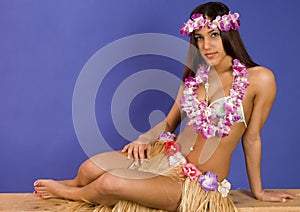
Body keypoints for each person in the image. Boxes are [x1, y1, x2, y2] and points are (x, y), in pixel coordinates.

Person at [33, 2, 296, 211]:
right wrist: (143, 139)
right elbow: (170, 122)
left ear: (228, 33)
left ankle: (70, 193)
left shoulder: (260, 79)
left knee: (110, 182)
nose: (206, 45)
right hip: (167, 158)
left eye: (214, 35)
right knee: (90, 168)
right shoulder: (195, 79)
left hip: (197, 184)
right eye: (199, 38)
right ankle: (74, 183)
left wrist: (258, 191)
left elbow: (251, 139)